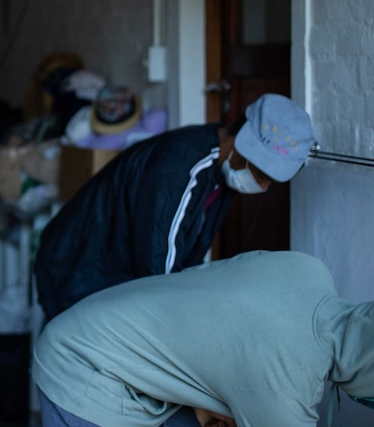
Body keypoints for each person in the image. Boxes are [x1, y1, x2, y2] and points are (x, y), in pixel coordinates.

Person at [34, 93, 316, 320]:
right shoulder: (180, 170)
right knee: (76, 371)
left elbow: (181, 260)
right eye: (261, 173)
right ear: (241, 141)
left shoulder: (222, 168)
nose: (264, 186)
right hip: (77, 267)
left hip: (107, 270)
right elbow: (160, 271)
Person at [32, 250, 374, 427]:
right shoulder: (286, 386)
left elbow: (203, 281)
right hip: (85, 368)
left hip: (97, 326)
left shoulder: (308, 268)